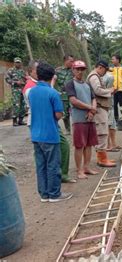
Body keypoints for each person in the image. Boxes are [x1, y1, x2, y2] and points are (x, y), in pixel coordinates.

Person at [28, 62, 73, 203]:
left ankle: (44, 194)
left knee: (41, 166)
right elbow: (59, 114)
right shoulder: (53, 93)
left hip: (36, 134)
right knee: (53, 165)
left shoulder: (32, 92)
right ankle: (54, 194)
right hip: (50, 134)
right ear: (52, 76)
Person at [65, 60, 99, 179]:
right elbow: (73, 101)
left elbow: (93, 98)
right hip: (78, 119)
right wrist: (90, 108)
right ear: (73, 70)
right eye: (77, 69)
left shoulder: (87, 85)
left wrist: (92, 111)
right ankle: (79, 170)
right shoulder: (70, 84)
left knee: (89, 144)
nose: (80, 71)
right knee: (80, 145)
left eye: (82, 69)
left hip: (90, 118)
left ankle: (87, 167)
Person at [87, 60, 116, 167]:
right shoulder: (94, 77)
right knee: (102, 132)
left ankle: (103, 157)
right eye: (105, 70)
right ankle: (102, 159)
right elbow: (97, 90)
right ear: (100, 67)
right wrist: (110, 91)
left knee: (103, 131)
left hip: (100, 107)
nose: (105, 72)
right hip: (98, 108)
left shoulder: (96, 76)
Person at [54, 55, 75, 133]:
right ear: (65, 61)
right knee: (65, 114)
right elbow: (53, 80)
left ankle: (76, 128)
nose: (72, 63)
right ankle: (68, 129)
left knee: (75, 111)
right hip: (63, 95)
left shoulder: (74, 70)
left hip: (73, 94)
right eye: (71, 61)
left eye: (73, 61)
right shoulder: (58, 70)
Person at [6, 57, 27, 126]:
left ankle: (21, 120)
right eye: (16, 62)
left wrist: (24, 82)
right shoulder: (11, 70)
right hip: (16, 90)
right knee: (16, 105)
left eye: (19, 62)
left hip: (23, 89)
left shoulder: (22, 71)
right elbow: (7, 80)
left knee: (23, 105)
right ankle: (14, 121)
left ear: (21, 63)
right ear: (14, 63)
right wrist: (15, 82)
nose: (18, 64)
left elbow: (26, 79)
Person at [103, 71, 121, 152]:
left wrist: (113, 91)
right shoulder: (105, 77)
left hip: (111, 103)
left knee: (112, 125)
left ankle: (113, 144)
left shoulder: (109, 76)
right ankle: (108, 145)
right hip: (106, 105)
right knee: (107, 125)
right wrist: (111, 91)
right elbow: (103, 92)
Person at [110, 54, 122, 121]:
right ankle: (116, 120)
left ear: (118, 60)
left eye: (113, 59)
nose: (111, 60)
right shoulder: (111, 69)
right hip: (113, 90)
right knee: (114, 105)